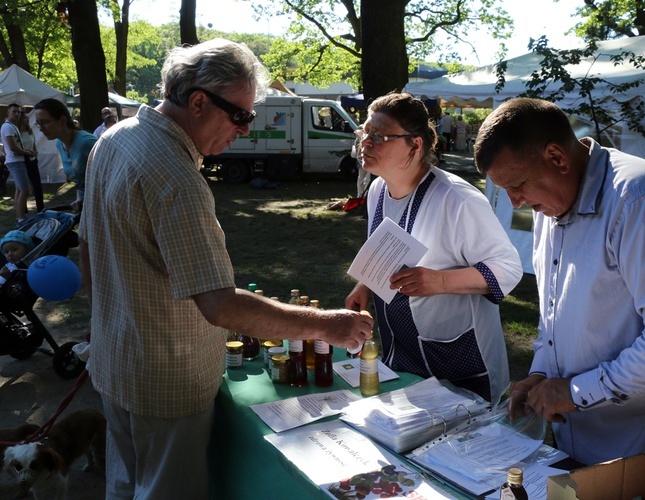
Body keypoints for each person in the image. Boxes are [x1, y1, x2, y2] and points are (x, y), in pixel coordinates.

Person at [79, 38, 372, 499]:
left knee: (125, 483)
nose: (245, 129)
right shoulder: (177, 178)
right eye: (241, 115)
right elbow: (220, 304)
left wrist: (102, 322)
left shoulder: (115, 138)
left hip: (116, 363)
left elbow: (87, 245)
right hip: (165, 381)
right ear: (198, 102)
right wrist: (328, 326)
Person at [474, 97, 645, 465]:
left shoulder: (640, 201)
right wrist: (540, 373)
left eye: (517, 185)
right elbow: (554, 310)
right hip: (587, 435)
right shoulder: (549, 205)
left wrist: (574, 391)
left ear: (557, 157)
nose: (516, 202)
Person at [345, 92, 522, 405]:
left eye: (379, 136)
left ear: (415, 145)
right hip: (403, 349)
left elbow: (508, 268)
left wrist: (441, 282)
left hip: (459, 357)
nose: (366, 144)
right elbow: (390, 247)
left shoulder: (457, 200)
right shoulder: (378, 190)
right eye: (364, 134)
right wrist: (366, 285)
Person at [33, 99, 96, 212]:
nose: (41, 129)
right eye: (38, 124)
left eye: (45, 122)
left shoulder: (87, 143)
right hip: (87, 202)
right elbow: (81, 180)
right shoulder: (59, 143)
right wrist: (80, 199)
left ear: (62, 120)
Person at [2, 103, 35, 224]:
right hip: (15, 162)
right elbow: (12, 147)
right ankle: (21, 218)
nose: (17, 114)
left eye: (19, 112)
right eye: (14, 112)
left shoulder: (12, 126)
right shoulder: (7, 127)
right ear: (8, 113)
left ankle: (20, 215)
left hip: (18, 160)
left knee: (19, 189)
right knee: (25, 190)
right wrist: (28, 153)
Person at [19, 112, 44, 212]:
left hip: (32, 160)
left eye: (27, 118)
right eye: (25, 118)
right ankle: (23, 209)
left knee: (37, 185)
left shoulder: (30, 131)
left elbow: (33, 143)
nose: (27, 120)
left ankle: (40, 208)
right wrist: (27, 153)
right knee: (23, 187)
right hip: (23, 160)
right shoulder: (17, 132)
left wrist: (34, 152)